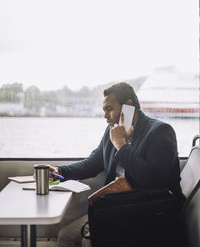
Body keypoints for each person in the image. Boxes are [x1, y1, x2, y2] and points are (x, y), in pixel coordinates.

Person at [50, 82, 185, 247]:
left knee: (87, 241)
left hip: (149, 212)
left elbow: (154, 180)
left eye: (109, 108)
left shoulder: (160, 131)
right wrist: (59, 172)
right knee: (65, 236)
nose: (105, 115)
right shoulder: (112, 131)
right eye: (104, 110)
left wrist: (121, 145)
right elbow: (92, 163)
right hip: (116, 208)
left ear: (128, 106)